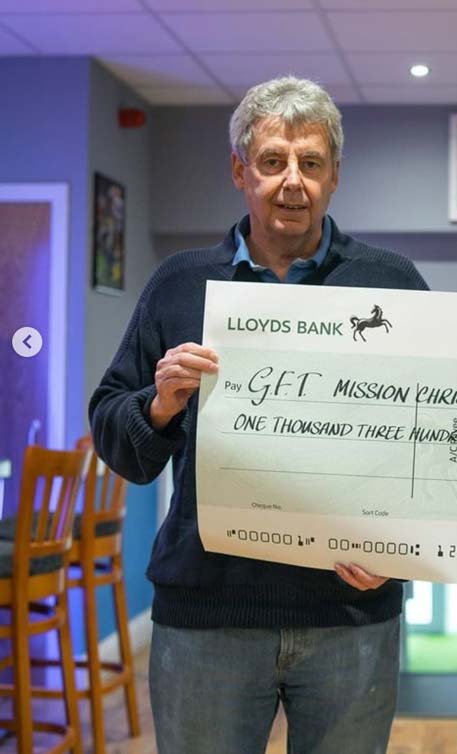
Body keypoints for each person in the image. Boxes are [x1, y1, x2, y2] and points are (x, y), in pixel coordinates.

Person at [89, 76, 427, 754]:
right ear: (241, 171)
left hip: (351, 614)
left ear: (335, 176)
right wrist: (159, 405)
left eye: (310, 162)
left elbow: (438, 440)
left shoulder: (392, 285)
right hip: (209, 614)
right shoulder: (180, 284)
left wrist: (404, 549)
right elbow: (114, 433)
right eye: (273, 161)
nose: (292, 181)